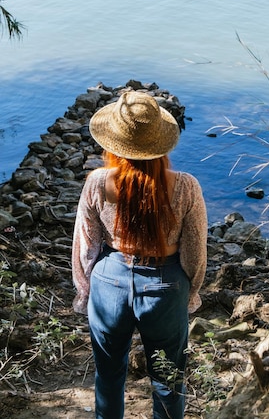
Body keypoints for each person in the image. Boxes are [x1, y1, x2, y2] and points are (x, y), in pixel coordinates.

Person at [72, 90, 207, 419]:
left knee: (108, 377)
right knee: (168, 381)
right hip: (166, 285)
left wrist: (85, 291)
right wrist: (191, 293)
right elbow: (195, 252)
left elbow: (85, 246)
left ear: (114, 141)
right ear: (160, 142)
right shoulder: (186, 187)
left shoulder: (97, 183)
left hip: (109, 282)